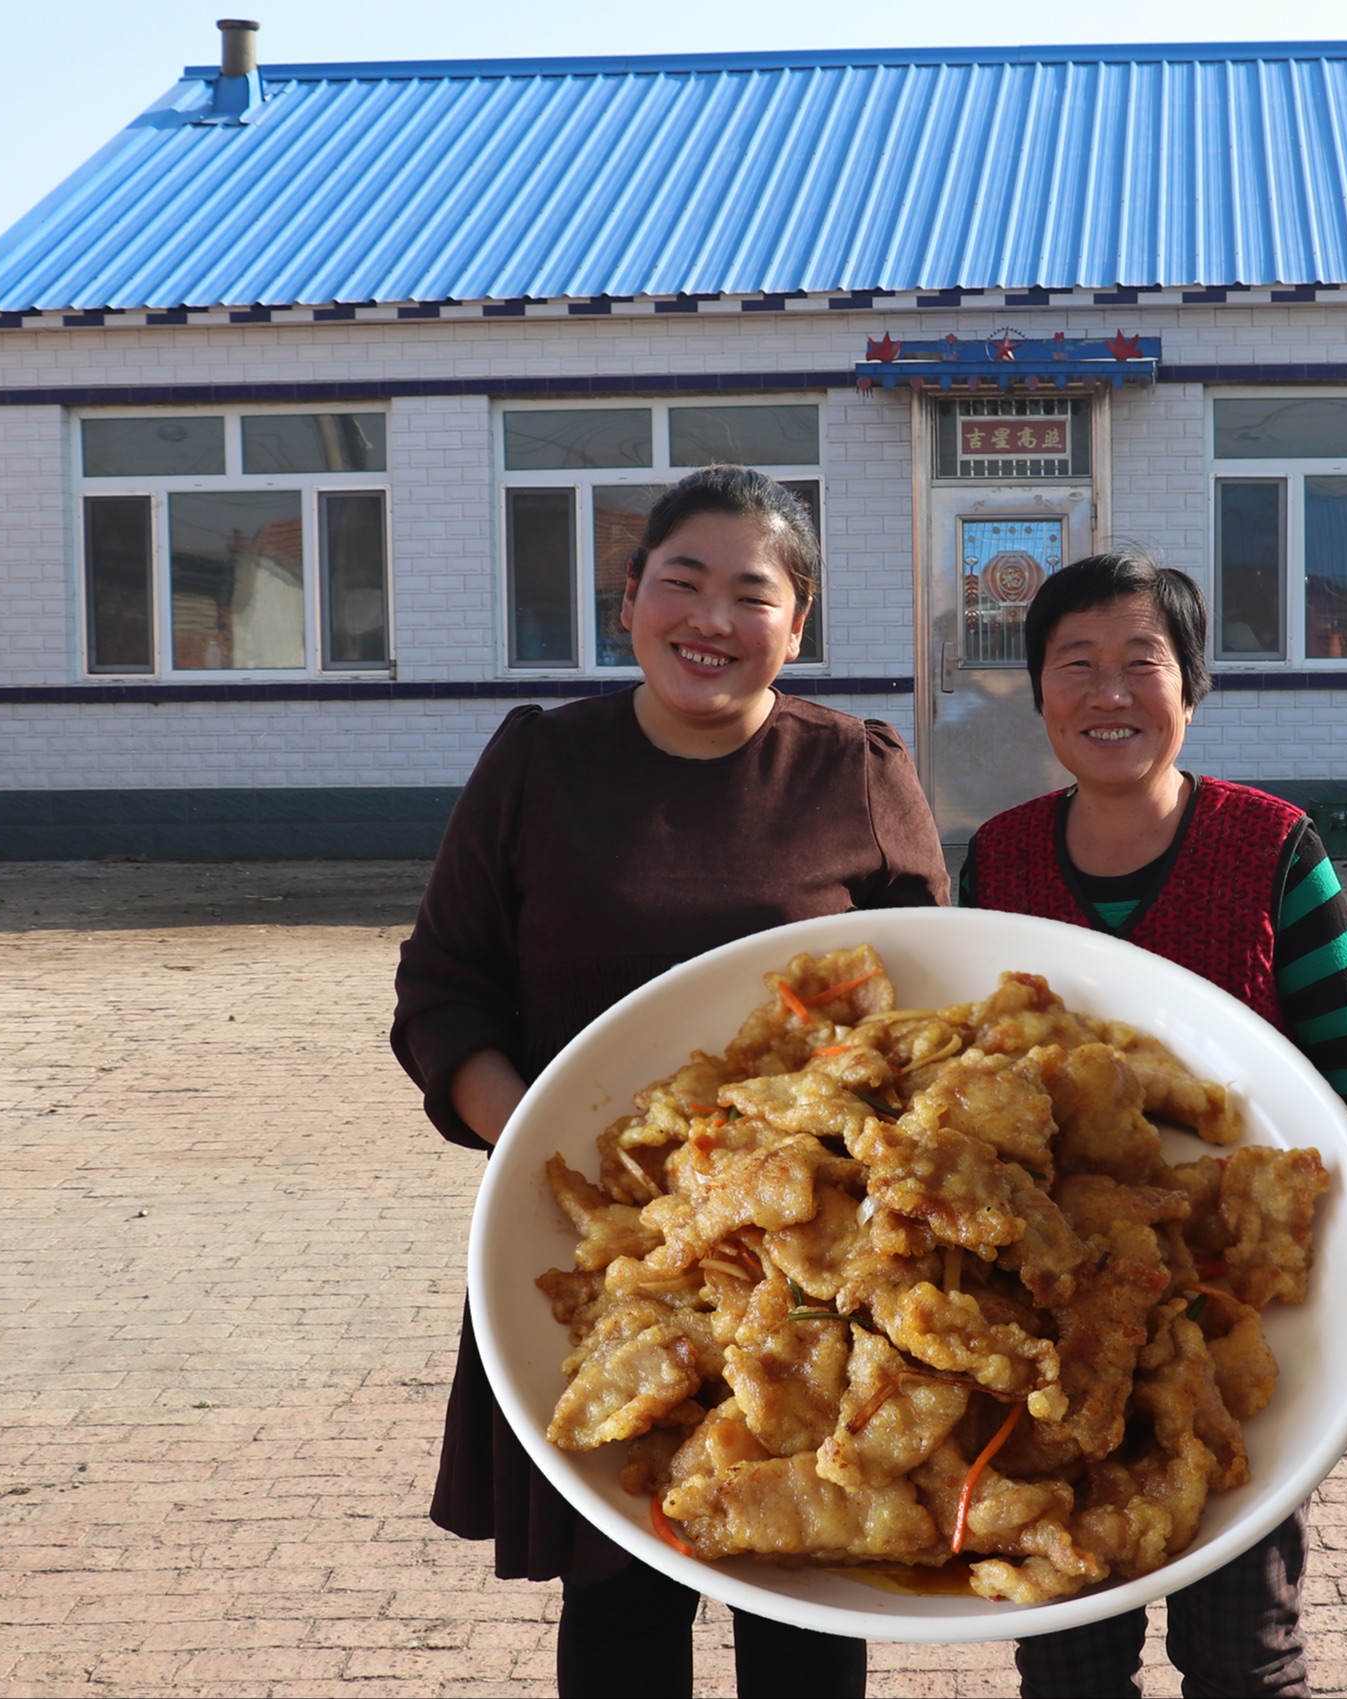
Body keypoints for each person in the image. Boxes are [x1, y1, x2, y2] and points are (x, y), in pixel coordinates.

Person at [390, 466, 946, 1699]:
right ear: (629, 596)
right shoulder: (542, 760)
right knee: (620, 1600)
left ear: (796, 626)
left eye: (753, 593)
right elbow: (444, 990)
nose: (710, 618)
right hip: (603, 1263)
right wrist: (541, 1150)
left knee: (805, 1602)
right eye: (680, 581)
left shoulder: (854, 769)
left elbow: (934, 1020)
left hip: (814, 1268)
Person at [957, 550, 1347, 1699]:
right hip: (1054, 1328)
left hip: (1230, 1319)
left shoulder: (1274, 848)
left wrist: (1331, 1304)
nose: (1109, 694)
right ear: (1040, 694)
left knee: (1245, 1650)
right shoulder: (997, 858)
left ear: (1190, 686)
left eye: (1140, 662)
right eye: (1075, 665)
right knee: (1068, 1653)